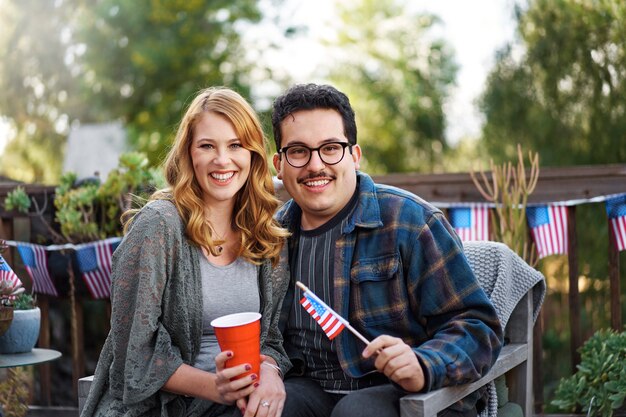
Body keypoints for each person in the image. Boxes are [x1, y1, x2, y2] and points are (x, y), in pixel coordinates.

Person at [271, 83, 504, 417]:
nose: (315, 165)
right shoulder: (272, 238)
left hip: (407, 396)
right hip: (313, 392)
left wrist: (422, 365)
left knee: (355, 412)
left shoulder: (408, 221)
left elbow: (477, 327)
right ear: (279, 164)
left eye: (330, 148)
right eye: (298, 152)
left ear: (354, 155)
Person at [81, 87, 290, 417]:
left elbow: (273, 339)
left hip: (241, 402)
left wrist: (270, 373)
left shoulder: (265, 233)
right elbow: (133, 353)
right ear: (189, 154)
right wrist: (216, 388)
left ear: (253, 154)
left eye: (235, 145)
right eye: (207, 146)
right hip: (166, 408)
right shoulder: (158, 227)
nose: (222, 160)